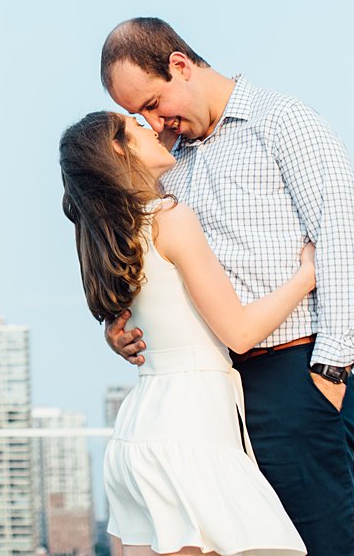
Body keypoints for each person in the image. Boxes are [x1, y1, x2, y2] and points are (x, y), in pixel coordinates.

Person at [100, 17, 354, 556]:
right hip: (213, 397)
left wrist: (330, 373)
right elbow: (150, 265)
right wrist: (115, 324)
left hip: (294, 376)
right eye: (140, 115)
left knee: (325, 544)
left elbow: (341, 241)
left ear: (180, 64)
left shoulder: (282, 123)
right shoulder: (167, 164)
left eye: (154, 103)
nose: (154, 122)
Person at [61, 110, 312, 556]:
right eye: (136, 126)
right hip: (190, 429)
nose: (152, 126)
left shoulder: (111, 238)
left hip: (138, 432)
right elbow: (238, 332)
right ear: (119, 150)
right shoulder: (171, 219)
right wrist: (305, 277)